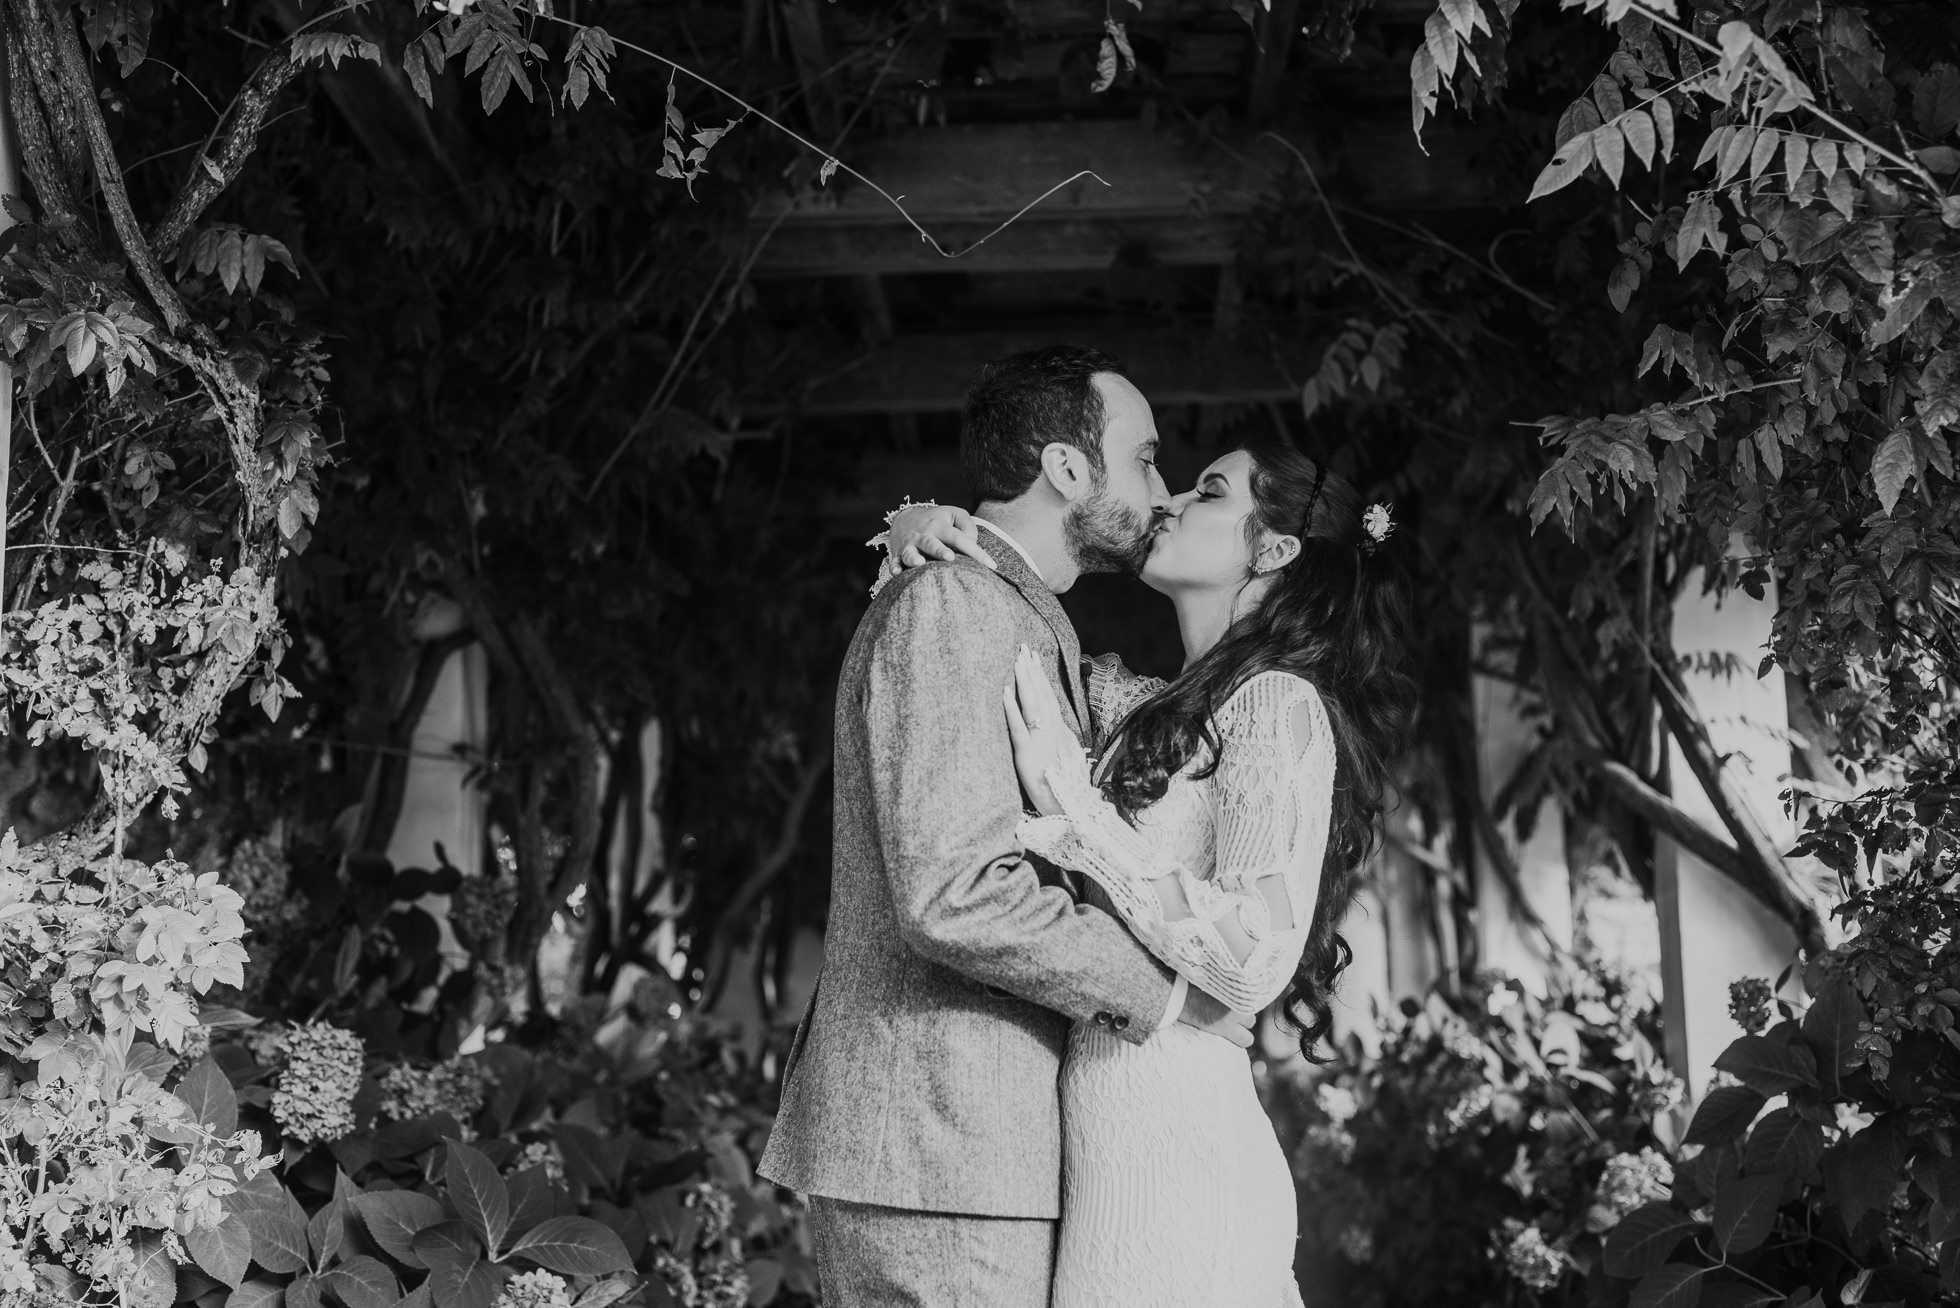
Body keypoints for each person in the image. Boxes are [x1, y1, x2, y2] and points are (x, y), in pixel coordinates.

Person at [756, 345, 1258, 1308]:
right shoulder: (953, 602)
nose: (1160, 489)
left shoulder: (1016, 615)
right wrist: (1166, 1000)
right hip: (940, 1145)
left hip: (987, 1151)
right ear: (1067, 470)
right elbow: (954, 894)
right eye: (1146, 458)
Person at [880, 437, 1418, 1306]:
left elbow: (1253, 956)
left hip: (1179, 1158)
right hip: (1109, 1147)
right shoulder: (1150, 707)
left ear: (1273, 550)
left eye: (1208, 491)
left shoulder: (1280, 706)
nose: (1169, 501)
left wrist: (1079, 813)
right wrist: (923, 527)